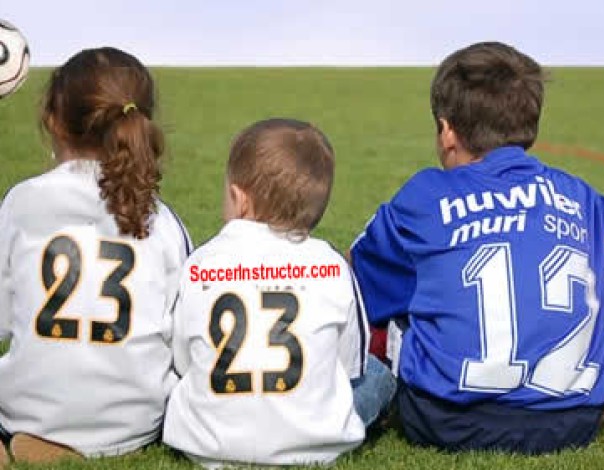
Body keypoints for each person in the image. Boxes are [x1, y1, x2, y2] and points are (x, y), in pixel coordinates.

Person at [350, 41, 604, 455]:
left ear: (447, 131)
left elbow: (358, 282)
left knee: (380, 313)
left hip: (445, 418)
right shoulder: (588, 201)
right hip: (572, 419)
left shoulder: (424, 196)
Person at [163, 118, 395, 468]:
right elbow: (349, 366)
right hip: (315, 445)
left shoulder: (201, 262)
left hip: (209, 443)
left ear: (239, 199)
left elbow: (183, 359)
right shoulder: (332, 264)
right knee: (377, 373)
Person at [0, 47, 191, 465]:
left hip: (26, 409)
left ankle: (36, 435)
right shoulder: (163, 222)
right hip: (135, 424)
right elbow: (182, 340)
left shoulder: (21, 203)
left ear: (53, 120)